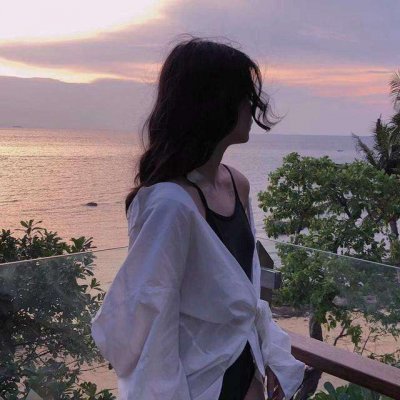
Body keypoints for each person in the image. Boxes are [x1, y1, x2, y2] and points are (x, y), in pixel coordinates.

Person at [91, 35, 305, 400]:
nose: (251, 107)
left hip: (245, 370)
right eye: (243, 95)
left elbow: (246, 295)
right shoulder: (170, 205)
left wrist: (268, 355)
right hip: (198, 383)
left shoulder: (237, 184)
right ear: (214, 103)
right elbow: (151, 319)